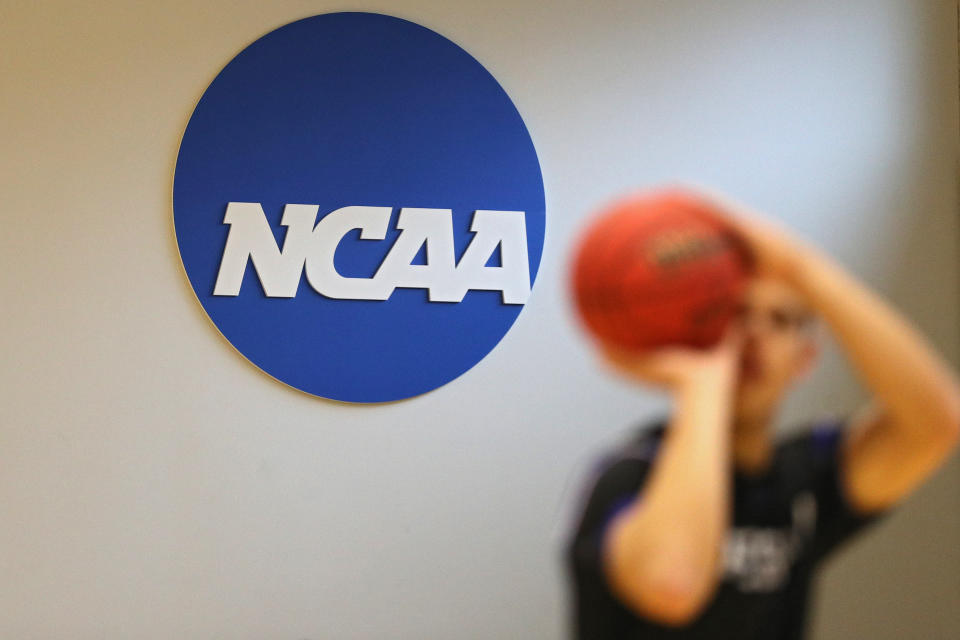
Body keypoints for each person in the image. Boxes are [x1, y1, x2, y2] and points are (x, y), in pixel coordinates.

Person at [564, 191, 960, 639]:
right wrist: (702, 382)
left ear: (806, 357)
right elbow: (674, 585)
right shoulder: (629, 474)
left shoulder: (804, 476)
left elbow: (936, 423)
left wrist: (798, 266)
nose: (753, 333)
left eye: (779, 319)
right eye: (735, 313)